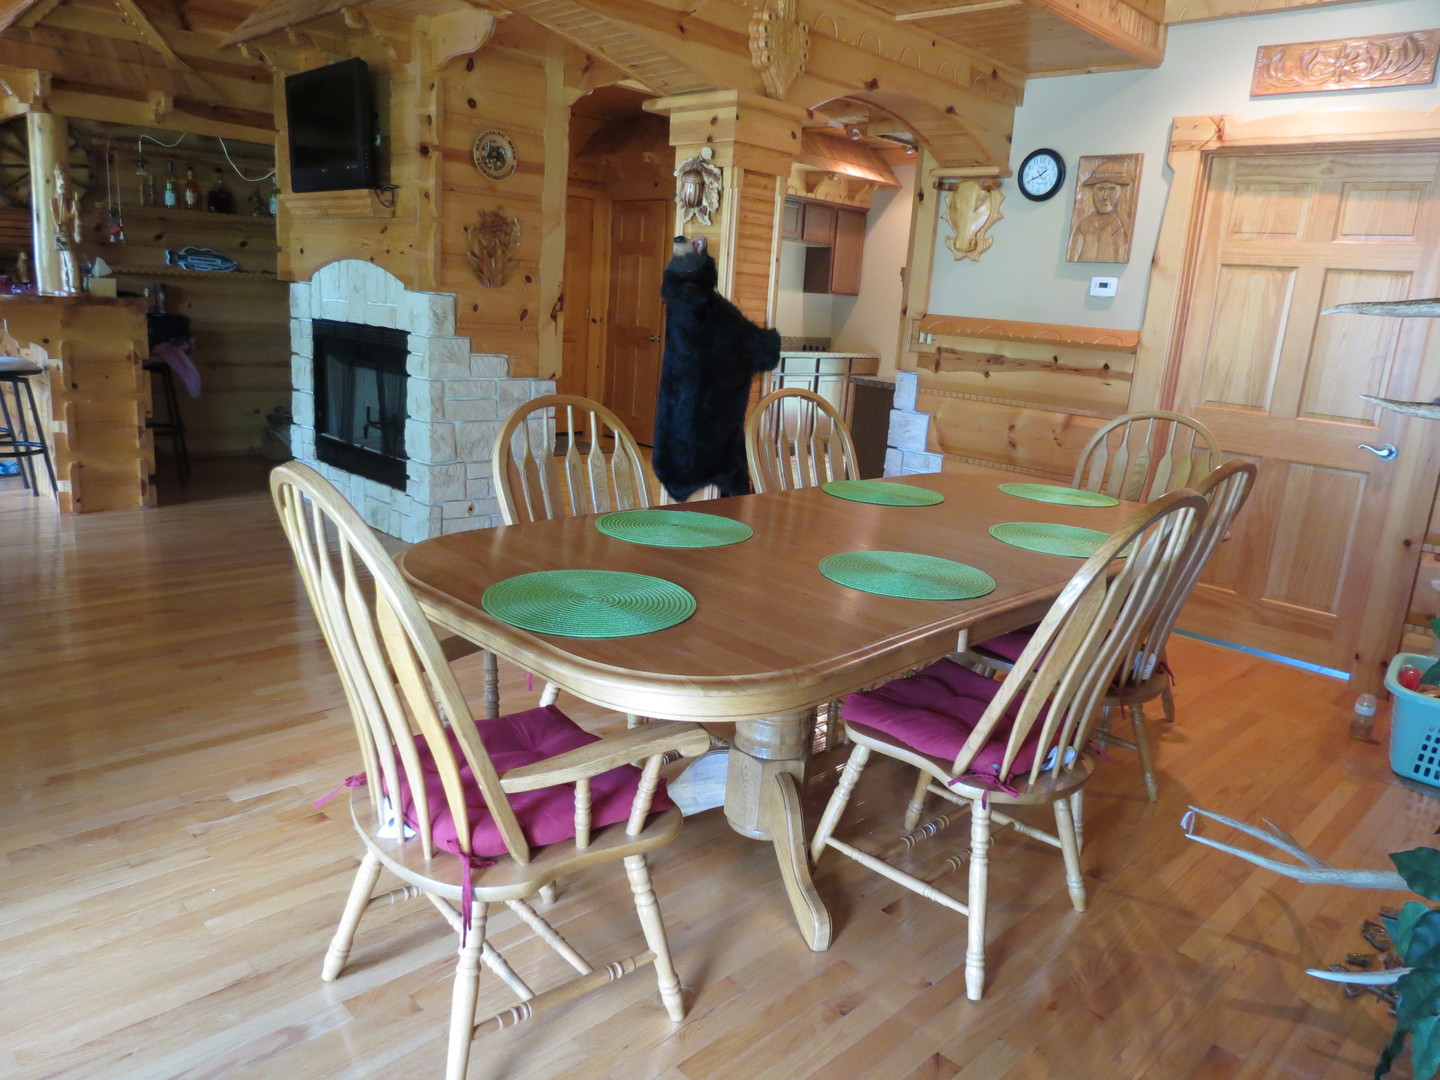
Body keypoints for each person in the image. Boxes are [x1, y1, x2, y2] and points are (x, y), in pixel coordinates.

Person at [1068, 160, 1134, 263]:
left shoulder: (1118, 227)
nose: (1105, 196)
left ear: (1121, 192)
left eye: (1111, 189)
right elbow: (1073, 256)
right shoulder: (1083, 226)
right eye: (1100, 189)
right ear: (1092, 191)